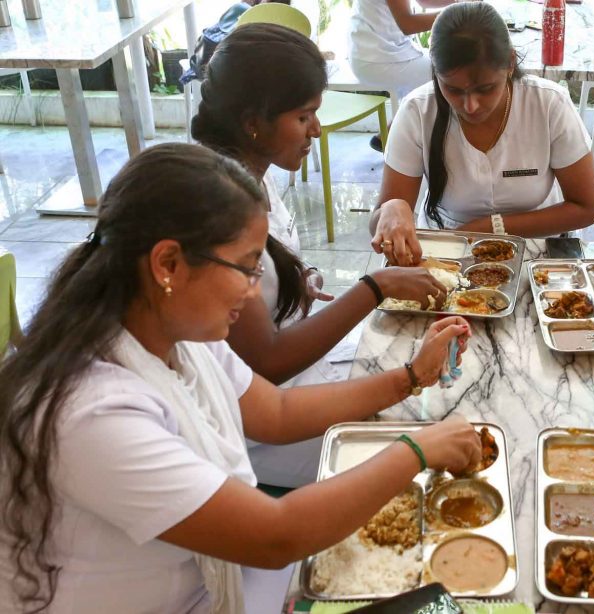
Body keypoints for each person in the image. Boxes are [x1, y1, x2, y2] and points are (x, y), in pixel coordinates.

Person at [0, 144, 481, 614]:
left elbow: (276, 412)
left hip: (207, 581)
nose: (256, 291)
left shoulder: (180, 333)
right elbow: (275, 536)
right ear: (168, 264)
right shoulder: (88, 413)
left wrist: (411, 376)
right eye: (247, 268)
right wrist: (415, 450)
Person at [193, 23, 449, 487]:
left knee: (429, 377)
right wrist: (374, 288)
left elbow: (272, 265)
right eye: (303, 116)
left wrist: (294, 280)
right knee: (419, 440)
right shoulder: (214, 206)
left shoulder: (255, 170)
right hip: (255, 422)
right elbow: (265, 361)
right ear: (254, 121)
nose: (316, 129)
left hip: (290, 381)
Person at [369, 2, 594, 266]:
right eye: (453, 90)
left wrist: (491, 228)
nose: (470, 106)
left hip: (539, 246)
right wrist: (390, 212)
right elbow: (380, 222)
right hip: (450, 248)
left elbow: (587, 207)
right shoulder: (416, 111)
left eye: (486, 88)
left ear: (510, 64)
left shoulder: (548, 104)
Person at [349, 0, 459, 152]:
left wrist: (458, 2)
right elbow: (408, 24)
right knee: (448, 72)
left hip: (374, 53)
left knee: (443, 67)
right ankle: (406, 142)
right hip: (377, 59)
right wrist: (458, 13)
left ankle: (388, 135)